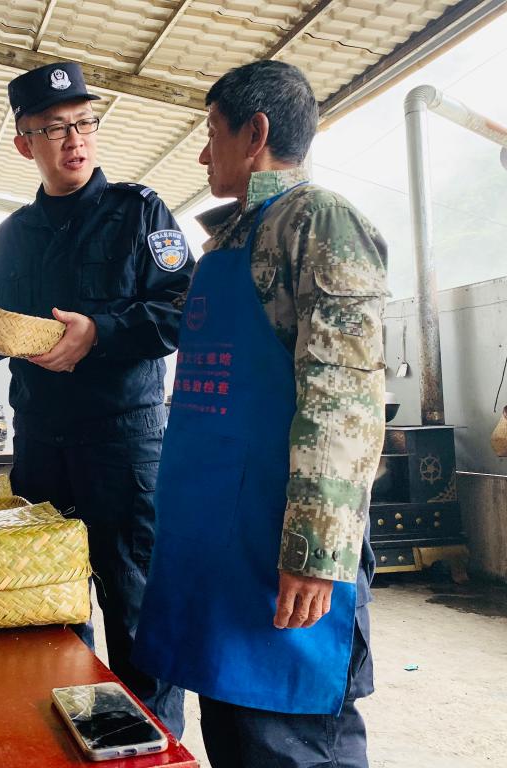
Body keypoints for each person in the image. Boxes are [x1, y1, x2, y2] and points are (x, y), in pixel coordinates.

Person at [131, 60, 387, 767]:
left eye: (212, 133)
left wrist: (316, 551)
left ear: (256, 133)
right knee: (239, 735)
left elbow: (343, 394)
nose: (203, 153)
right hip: (220, 540)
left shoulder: (317, 220)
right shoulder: (230, 239)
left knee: (291, 738)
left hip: (281, 544)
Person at [0, 61, 193, 736]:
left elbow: (184, 308)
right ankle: (73, 736)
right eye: (54, 128)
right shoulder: (14, 234)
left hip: (124, 442)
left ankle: (151, 743)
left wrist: (99, 333)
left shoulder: (140, 213)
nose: (74, 139)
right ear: (25, 144)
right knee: (46, 599)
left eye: (84, 123)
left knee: (134, 600)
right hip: (42, 443)